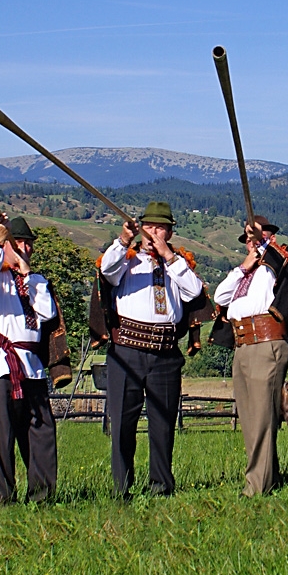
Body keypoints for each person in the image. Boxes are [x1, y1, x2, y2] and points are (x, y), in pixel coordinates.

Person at [0, 214, 70, 504]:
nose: (24, 248)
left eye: (28, 243)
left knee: (42, 430)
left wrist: (28, 274)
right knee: (2, 434)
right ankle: (5, 498)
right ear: (5, 244)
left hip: (30, 368)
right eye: (18, 242)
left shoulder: (38, 281)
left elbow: (46, 314)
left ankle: (42, 496)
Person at [94, 201, 205, 498]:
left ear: (169, 232)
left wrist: (169, 257)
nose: (155, 232)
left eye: (161, 227)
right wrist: (124, 240)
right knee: (122, 423)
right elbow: (106, 271)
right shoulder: (126, 259)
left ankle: (161, 486)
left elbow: (195, 291)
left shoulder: (179, 263)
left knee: (163, 423)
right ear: (141, 229)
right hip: (127, 350)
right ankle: (122, 488)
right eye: (150, 226)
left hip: (165, 352)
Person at [212, 215, 288, 497]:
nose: (250, 243)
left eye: (255, 237)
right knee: (249, 416)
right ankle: (267, 475)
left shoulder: (278, 264)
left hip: (266, 341)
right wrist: (243, 267)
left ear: (269, 237)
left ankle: (259, 485)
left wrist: (264, 244)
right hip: (242, 343)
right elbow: (220, 297)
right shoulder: (246, 271)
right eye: (247, 239)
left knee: (262, 416)